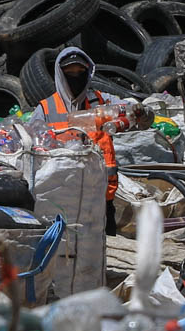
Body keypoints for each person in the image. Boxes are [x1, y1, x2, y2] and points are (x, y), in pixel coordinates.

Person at [37, 47, 124, 226]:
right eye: (69, 72)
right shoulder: (46, 109)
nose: (75, 76)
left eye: (80, 72)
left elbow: (128, 109)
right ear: (60, 74)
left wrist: (137, 113)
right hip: (61, 196)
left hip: (100, 196)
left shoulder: (101, 101)